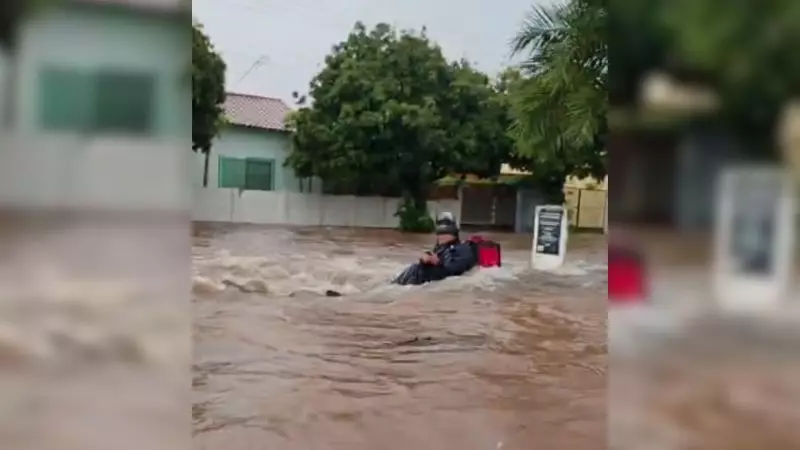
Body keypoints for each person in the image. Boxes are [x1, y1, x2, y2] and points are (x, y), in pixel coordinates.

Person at [392, 214, 477, 285]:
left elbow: (453, 271)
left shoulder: (463, 249)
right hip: (416, 278)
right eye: (440, 234)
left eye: (445, 233)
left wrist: (437, 263)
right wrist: (425, 260)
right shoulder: (441, 249)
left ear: (454, 234)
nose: (441, 237)